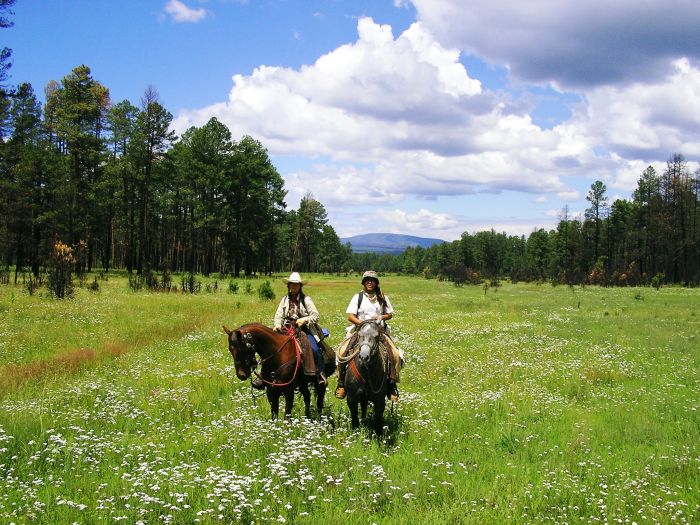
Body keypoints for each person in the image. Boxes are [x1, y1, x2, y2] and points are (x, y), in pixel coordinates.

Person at [335, 270, 403, 401]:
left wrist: (381, 316)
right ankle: (341, 382)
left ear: (376, 282)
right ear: (364, 282)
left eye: (372, 280)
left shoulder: (382, 296)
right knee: (342, 352)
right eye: (367, 280)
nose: (370, 282)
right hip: (360, 330)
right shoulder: (358, 297)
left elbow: (390, 314)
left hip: (379, 331)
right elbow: (350, 316)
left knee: (394, 354)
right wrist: (363, 323)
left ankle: (391, 384)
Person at [272, 271, 326, 385]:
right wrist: (277, 325)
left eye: (296, 284)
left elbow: (316, 316)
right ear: (288, 285)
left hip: (304, 329)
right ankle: (266, 376)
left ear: (300, 286)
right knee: (272, 347)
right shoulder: (284, 299)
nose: (294, 286)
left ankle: (320, 373)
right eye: (292, 284)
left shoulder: (306, 300)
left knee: (315, 349)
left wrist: (304, 320)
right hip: (286, 328)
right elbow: (278, 315)